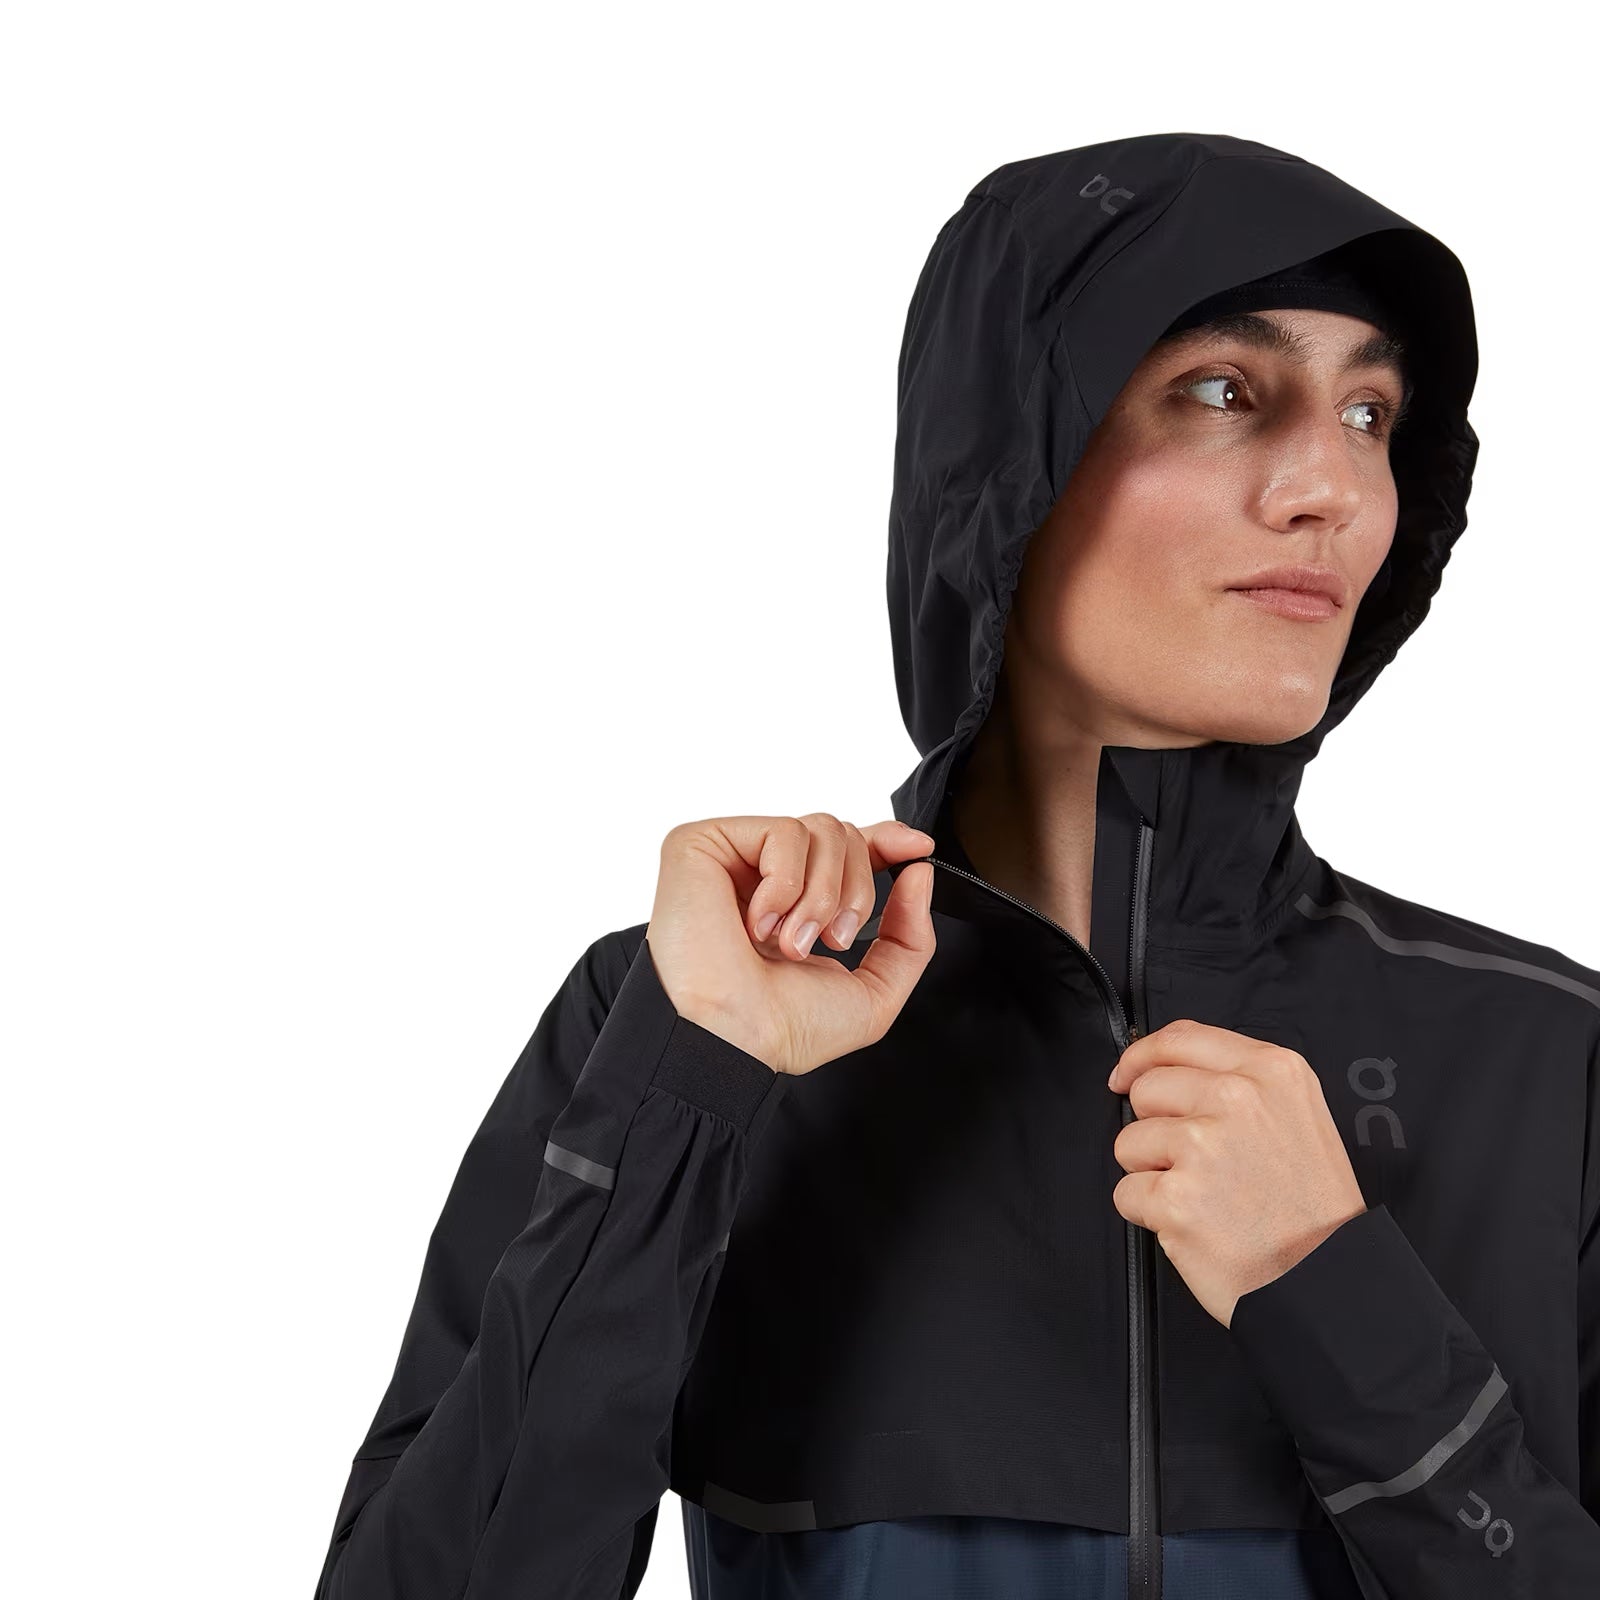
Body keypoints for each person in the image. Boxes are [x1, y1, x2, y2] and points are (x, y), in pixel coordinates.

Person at [311, 132, 1600, 1599]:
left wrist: (1333, 1290)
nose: (1336, 489)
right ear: (1010, 458)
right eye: (1224, 392)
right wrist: (691, 1090)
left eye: (1371, 413)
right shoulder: (683, 1018)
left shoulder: (1548, 1062)